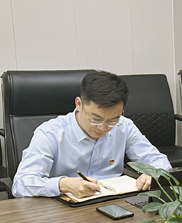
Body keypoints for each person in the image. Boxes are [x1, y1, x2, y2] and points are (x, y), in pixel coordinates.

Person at [12, 70, 171, 198]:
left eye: (113, 120)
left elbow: (158, 160)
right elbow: (21, 184)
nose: (103, 127)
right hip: (64, 210)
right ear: (79, 104)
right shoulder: (50, 133)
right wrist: (63, 184)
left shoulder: (124, 126)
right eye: (96, 118)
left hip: (114, 203)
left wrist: (154, 174)